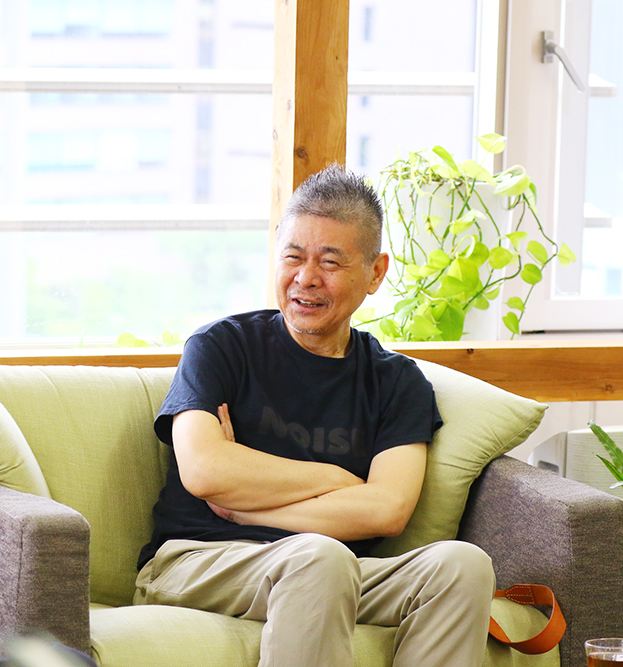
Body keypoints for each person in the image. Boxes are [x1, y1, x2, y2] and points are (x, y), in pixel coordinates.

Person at [134, 167, 496, 667]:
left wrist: (247, 507)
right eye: (293, 256)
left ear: (375, 273)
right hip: (200, 559)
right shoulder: (221, 347)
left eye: (330, 261)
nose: (305, 278)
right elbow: (204, 471)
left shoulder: (396, 382)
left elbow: (387, 509)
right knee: (321, 557)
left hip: (333, 571)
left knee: (462, 565)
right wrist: (337, 480)